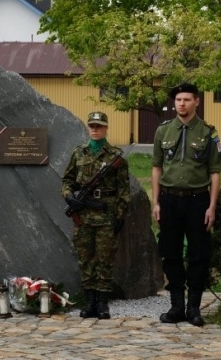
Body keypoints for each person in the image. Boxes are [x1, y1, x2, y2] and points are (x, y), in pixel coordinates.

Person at [151, 83, 221, 327]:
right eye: (178, 100)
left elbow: (214, 172)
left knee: (198, 254)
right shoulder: (163, 131)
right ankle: (176, 306)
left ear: (196, 102)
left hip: (197, 200)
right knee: (170, 253)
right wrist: (156, 201)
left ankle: (194, 308)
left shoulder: (208, 133)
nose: (181, 103)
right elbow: (157, 167)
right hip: (169, 200)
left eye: (187, 99)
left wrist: (212, 206)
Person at [61, 112, 130, 320]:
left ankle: (102, 303)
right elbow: (67, 180)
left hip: (106, 215)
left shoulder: (115, 156)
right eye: (92, 125)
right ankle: (89, 301)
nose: (95, 129)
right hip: (83, 216)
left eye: (99, 126)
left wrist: (120, 214)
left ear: (106, 128)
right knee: (85, 259)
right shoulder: (78, 153)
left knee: (104, 260)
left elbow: (123, 190)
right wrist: (69, 197)